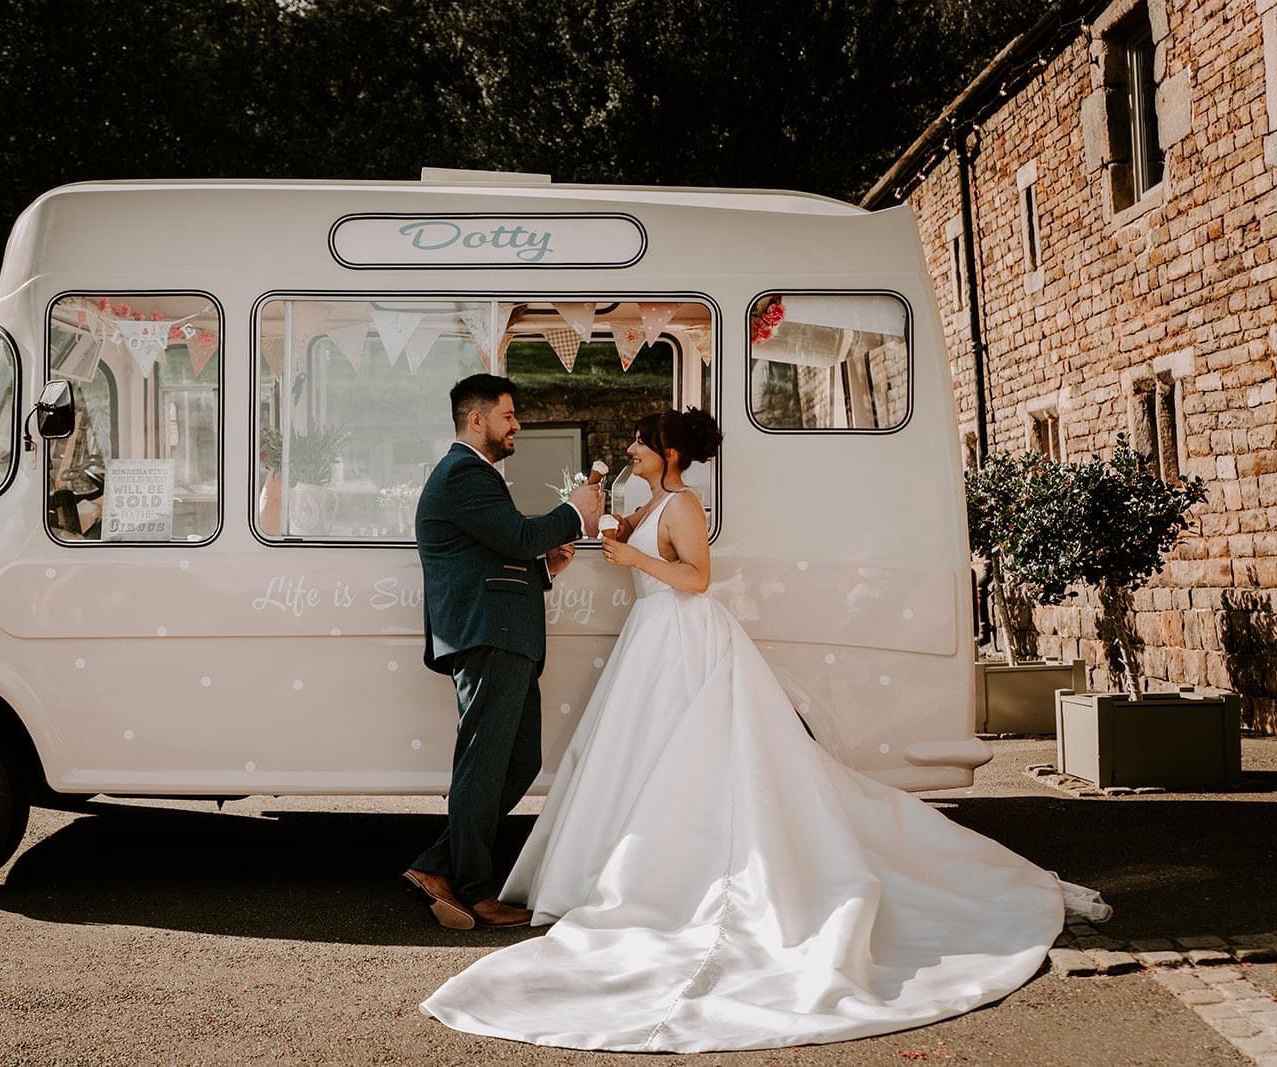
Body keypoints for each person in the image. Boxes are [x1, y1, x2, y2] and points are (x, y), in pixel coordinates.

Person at [419, 407, 1110, 1052]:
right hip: (651, 642)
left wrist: (637, 559)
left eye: (638, 441)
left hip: (685, 638)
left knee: (694, 760)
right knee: (638, 761)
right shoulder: (649, 502)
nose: (628, 448)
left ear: (669, 454)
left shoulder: (685, 504)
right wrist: (616, 538)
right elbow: (645, 559)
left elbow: (696, 578)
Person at [403, 374, 604, 931]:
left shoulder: (472, 476)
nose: (517, 426)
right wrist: (575, 510)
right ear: (477, 419)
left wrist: (544, 569)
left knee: (518, 762)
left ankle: (436, 866)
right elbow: (516, 536)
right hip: (487, 637)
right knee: (484, 764)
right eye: (509, 415)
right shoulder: (464, 474)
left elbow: (494, 553)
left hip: (501, 635)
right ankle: (472, 890)